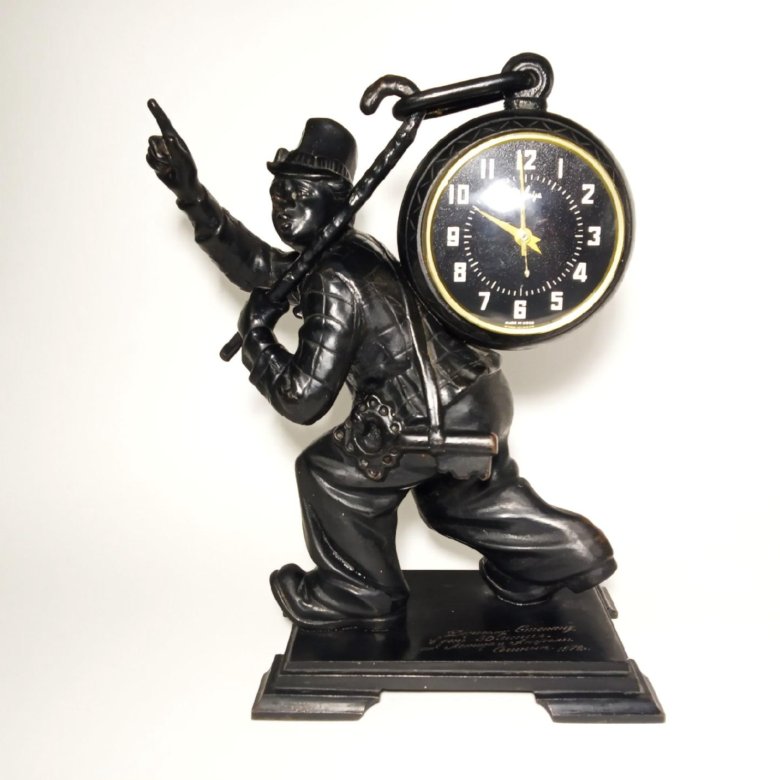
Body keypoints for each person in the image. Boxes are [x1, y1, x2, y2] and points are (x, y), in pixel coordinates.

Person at [146, 102, 616, 631]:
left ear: (336, 202)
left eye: (301, 193)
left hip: (429, 412)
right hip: (477, 393)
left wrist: (258, 345)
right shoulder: (346, 251)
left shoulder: (333, 279)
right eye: (280, 193)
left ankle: (362, 592)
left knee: (328, 475)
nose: (285, 204)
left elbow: (303, 399)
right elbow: (261, 267)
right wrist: (191, 194)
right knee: (453, 501)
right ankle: (565, 556)